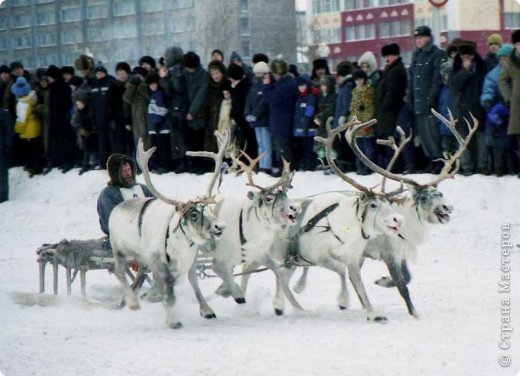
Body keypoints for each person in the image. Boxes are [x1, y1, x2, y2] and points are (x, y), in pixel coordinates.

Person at [408, 25, 447, 173]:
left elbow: (436, 80)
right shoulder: (417, 56)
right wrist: (410, 96)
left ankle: (438, 160)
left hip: (430, 103)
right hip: (418, 102)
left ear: (429, 38)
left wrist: (431, 98)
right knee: (423, 134)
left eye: (421, 38)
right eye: (416, 38)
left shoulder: (437, 54)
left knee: (433, 133)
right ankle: (430, 159)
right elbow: (412, 78)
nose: (418, 41)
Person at [450, 41, 488, 175]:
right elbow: (455, 85)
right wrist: (464, 71)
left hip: (478, 106)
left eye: (469, 57)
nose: (466, 59)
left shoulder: (482, 66)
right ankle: (467, 166)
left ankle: (482, 165)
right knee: (462, 138)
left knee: (481, 137)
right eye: (463, 57)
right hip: (462, 108)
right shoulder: (455, 67)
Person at [97, 153, 154, 239]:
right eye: (124, 171)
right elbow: (110, 223)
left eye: (129, 169)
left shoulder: (143, 189)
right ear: (116, 174)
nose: (128, 174)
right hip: (121, 241)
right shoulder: (108, 195)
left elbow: (155, 207)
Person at [375, 43, 409, 170]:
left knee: (391, 141)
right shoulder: (391, 69)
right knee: (389, 141)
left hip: (391, 113)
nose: (387, 59)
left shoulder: (396, 71)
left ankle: (395, 166)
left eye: (389, 56)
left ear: (395, 55)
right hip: (388, 114)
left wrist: (384, 105)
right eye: (385, 56)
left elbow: (392, 93)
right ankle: (392, 166)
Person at [262, 59, 297, 176]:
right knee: (281, 146)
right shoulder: (285, 83)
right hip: (280, 119)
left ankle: (287, 168)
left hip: (282, 120)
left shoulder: (286, 85)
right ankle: (284, 167)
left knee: (283, 146)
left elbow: (271, 98)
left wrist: (266, 85)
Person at [11, 77, 43, 177]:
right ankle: (38, 166)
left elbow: (21, 120)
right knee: (36, 148)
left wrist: (17, 130)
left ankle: (34, 168)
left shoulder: (22, 104)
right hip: (35, 126)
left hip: (27, 130)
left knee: (30, 150)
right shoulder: (32, 97)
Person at [499, 29, 520, 177]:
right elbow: (503, 80)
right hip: (517, 105)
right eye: (518, 44)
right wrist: (509, 96)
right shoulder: (510, 61)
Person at [245, 61, 271, 174]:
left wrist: (255, 114)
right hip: (255, 120)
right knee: (260, 143)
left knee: (266, 144)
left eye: (260, 73)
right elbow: (248, 101)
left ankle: (266, 166)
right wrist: (247, 114)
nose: (258, 75)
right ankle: (261, 164)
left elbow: (264, 102)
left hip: (264, 120)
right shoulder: (253, 86)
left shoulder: (266, 86)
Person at [349, 69, 375, 175]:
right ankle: (359, 165)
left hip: (365, 123)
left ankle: (368, 166)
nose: (359, 81)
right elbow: (352, 107)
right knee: (358, 146)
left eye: (361, 79)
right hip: (356, 123)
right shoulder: (354, 91)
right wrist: (352, 121)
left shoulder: (368, 90)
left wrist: (366, 122)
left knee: (368, 146)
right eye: (357, 79)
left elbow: (370, 107)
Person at [293, 74, 319, 171]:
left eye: (303, 85)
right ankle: (305, 163)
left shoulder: (311, 97)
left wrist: (305, 125)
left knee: (309, 147)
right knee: (303, 147)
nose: (301, 88)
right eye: (300, 85)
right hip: (300, 128)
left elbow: (309, 112)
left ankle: (309, 165)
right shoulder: (299, 97)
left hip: (308, 128)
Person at [0, 108, 13, 203]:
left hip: (2, 148)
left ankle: (3, 195)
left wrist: (7, 145)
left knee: (2, 172)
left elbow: (9, 131)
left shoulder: (4, 114)